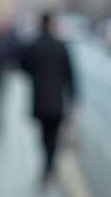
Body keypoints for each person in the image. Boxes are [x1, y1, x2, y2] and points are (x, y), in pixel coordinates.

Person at [19, 12, 77, 187]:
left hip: (39, 98)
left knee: (43, 135)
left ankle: (46, 167)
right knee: (53, 135)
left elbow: (23, 67)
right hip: (57, 99)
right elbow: (70, 74)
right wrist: (73, 98)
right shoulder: (60, 46)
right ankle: (49, 168)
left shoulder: (33, 45)